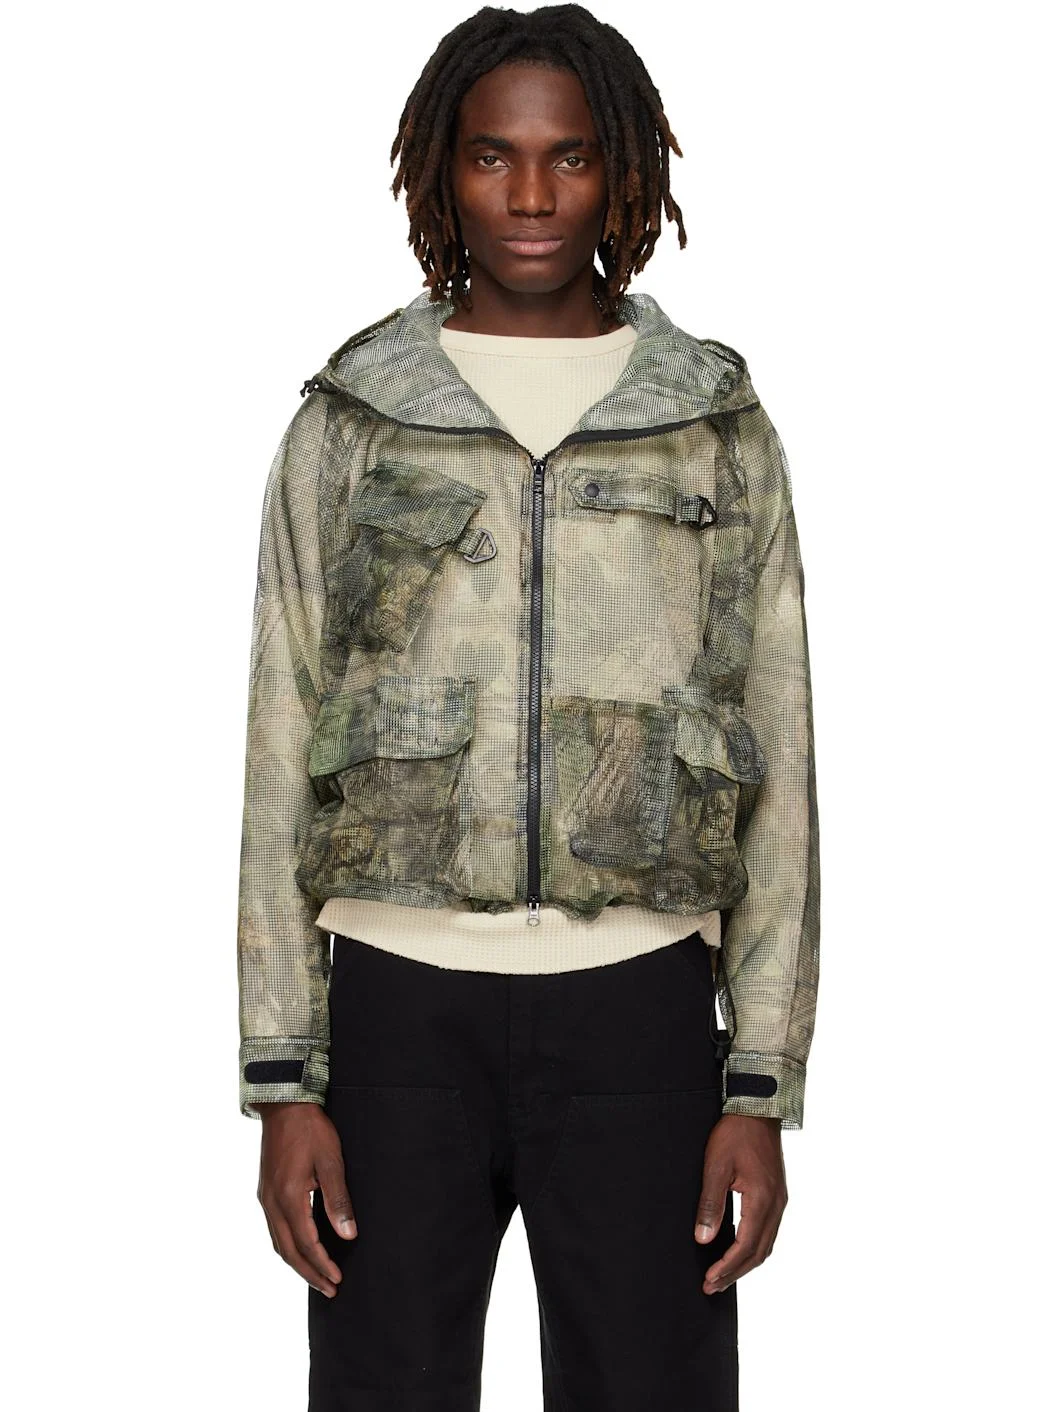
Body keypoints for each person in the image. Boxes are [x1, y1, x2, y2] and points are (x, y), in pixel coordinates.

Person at [235, 5, 820, 1407]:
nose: (534, 195)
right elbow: (277, 742)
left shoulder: (713, 424)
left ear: (625, 171)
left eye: (570, 158)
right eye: (493, 156)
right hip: (394, 1013)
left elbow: (783, 752)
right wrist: (284, 1080)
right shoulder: (351, 419)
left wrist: (758, 1083)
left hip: (641, 1012)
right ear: (442, 173)